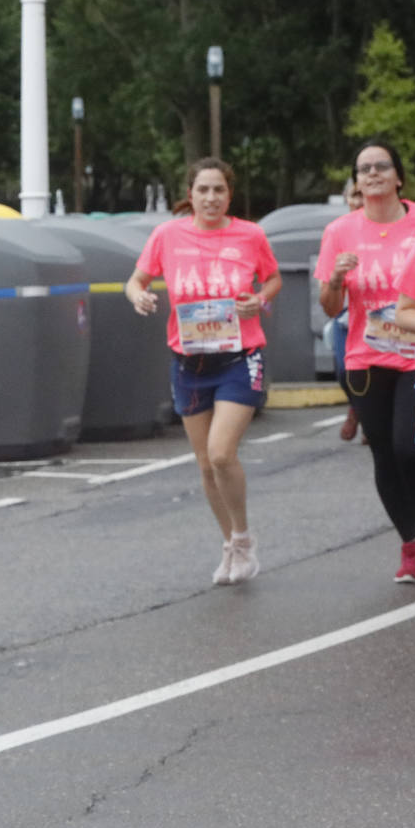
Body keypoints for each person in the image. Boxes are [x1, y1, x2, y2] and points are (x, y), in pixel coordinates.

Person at [125, 158, 282, 585]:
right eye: (203, 190)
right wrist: (139, 296)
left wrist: (258, 301)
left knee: (220, 452)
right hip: (190, 362)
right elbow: (135, 280)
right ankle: (231, 543)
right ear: (190, 194)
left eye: (219, 190)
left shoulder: (250, 235)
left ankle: (245, 538)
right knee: (206, 465)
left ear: (229, 195)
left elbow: (272, 280)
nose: (211, 198)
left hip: (239, 357)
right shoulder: (167, 235)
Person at [316, 140, 415, 584]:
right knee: (384, 452)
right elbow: (330, 307)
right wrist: (335, 278)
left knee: (410, 446)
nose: (371, 174)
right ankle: (410, 543)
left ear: (399, 177)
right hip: (366, 356)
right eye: (363, 169)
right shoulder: (340, 232)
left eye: (381, 166)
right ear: (356, 181)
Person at [335, 180, 365, 442]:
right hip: (344, 317)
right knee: (343, 372)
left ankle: (367, 416)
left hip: (383, 319)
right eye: (354, 195)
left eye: (363, 195)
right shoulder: (338, 231)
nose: (359, 200)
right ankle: (357, 406)